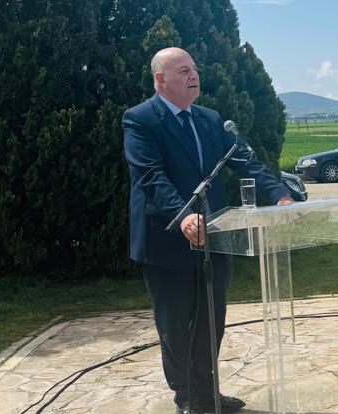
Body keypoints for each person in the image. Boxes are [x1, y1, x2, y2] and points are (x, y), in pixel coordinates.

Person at [123, 47, 292, 414]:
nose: (194, 75)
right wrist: (182, 215)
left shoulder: (211, 119)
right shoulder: (140, 120)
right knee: (175, 324)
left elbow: (246, 161)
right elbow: (151, 176)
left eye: (194, 69)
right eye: (183, 70)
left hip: (213, 236)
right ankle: (186, 397)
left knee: (211, 321)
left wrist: (279, 195)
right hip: (167, 238)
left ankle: (207, 391)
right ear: (161, 80)